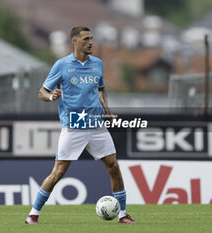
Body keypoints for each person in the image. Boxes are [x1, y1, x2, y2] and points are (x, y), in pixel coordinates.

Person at [25, 26, 137, 224]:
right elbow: (41, 92)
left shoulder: (98, 64)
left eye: (91, 38)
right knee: (58, 172)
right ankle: (33, 214)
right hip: (73, 126)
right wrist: (52, 96)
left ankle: (123, 215)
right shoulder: (62, 65)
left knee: (113, 166)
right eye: (86, 39)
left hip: (96, 125)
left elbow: (101, 89)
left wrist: (107, 110)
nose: (91, 42)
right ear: (75, 41)